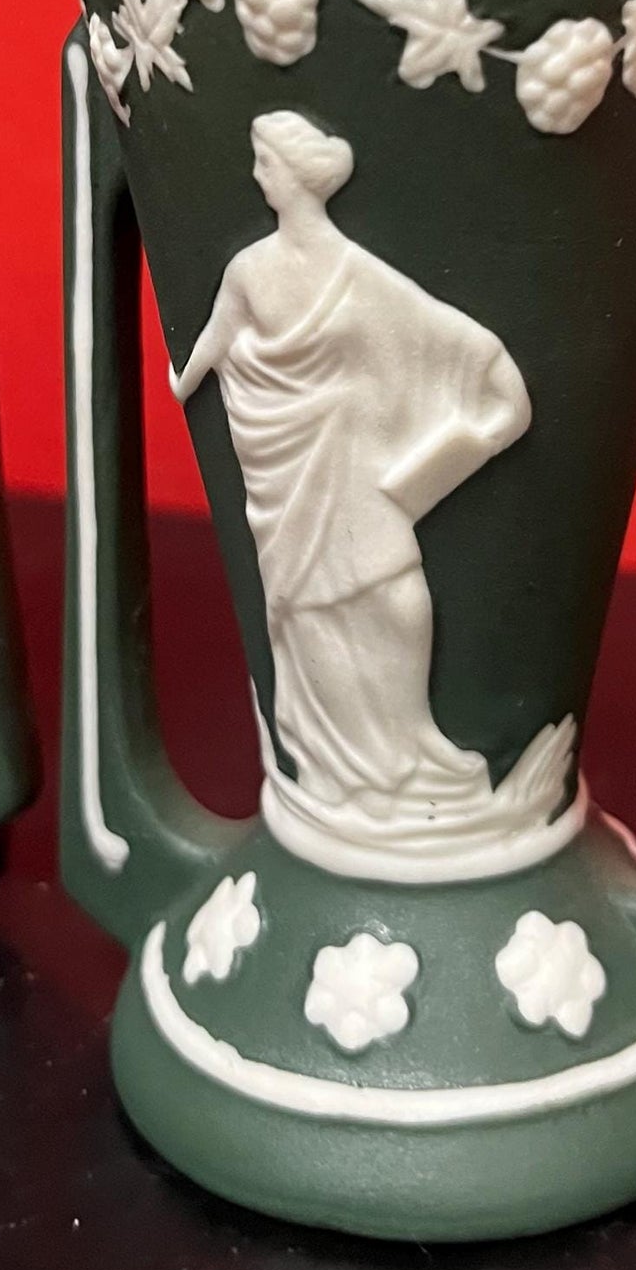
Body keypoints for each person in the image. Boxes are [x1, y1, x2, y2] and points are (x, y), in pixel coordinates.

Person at [173, 110, 530, 821]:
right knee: (313, 612)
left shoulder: (357, 273)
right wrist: (182, 382)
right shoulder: (249, 269)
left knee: (399, 601)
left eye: (266, 163)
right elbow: (215, 337)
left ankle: (411, 742)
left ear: (296, 177)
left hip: (358, 462)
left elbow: (435, 327)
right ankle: (356, 771)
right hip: (290, 471)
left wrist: (489, 376)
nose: (256, 175)